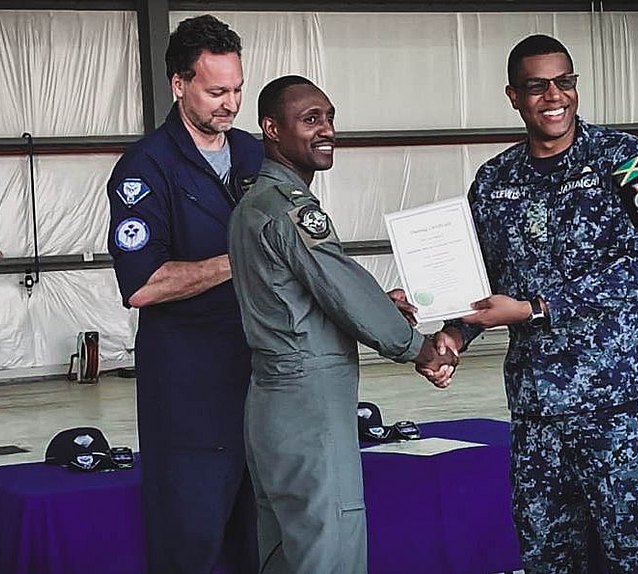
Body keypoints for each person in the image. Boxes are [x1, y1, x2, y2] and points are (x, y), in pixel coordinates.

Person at [423, 35, 638, 573]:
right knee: (547, 558)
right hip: (537, 411)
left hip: (614, 407)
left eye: (565, 82)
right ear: (514, 96)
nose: (554, 96)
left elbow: (635, 268)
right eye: (537, 87)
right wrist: (453, 336)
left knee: (633, 557)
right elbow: (479, 277)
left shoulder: (624, 162)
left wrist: (534, 308)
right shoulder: (494, 181)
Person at [228, 75, 456, 574]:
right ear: (271, 129)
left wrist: (379, 302)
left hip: (269, 402)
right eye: (311, 120)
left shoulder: (254, 204)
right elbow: (338, 286)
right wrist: (418, 349)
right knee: (329, 546)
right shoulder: (291, 210)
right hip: (309, 403)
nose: (326, 129)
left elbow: (315, 290)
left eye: (329, 118)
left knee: (285, 551)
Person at [105, 15, 261, 574]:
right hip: (191, 394)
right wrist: (238, 260)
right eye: (216, 91)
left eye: (237, 89)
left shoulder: (256, 156)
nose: (231, 103)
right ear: (179, 84)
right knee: (190, 542)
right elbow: (144, 285)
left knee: (259, 542)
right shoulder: (146, 168)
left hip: (263, 380)